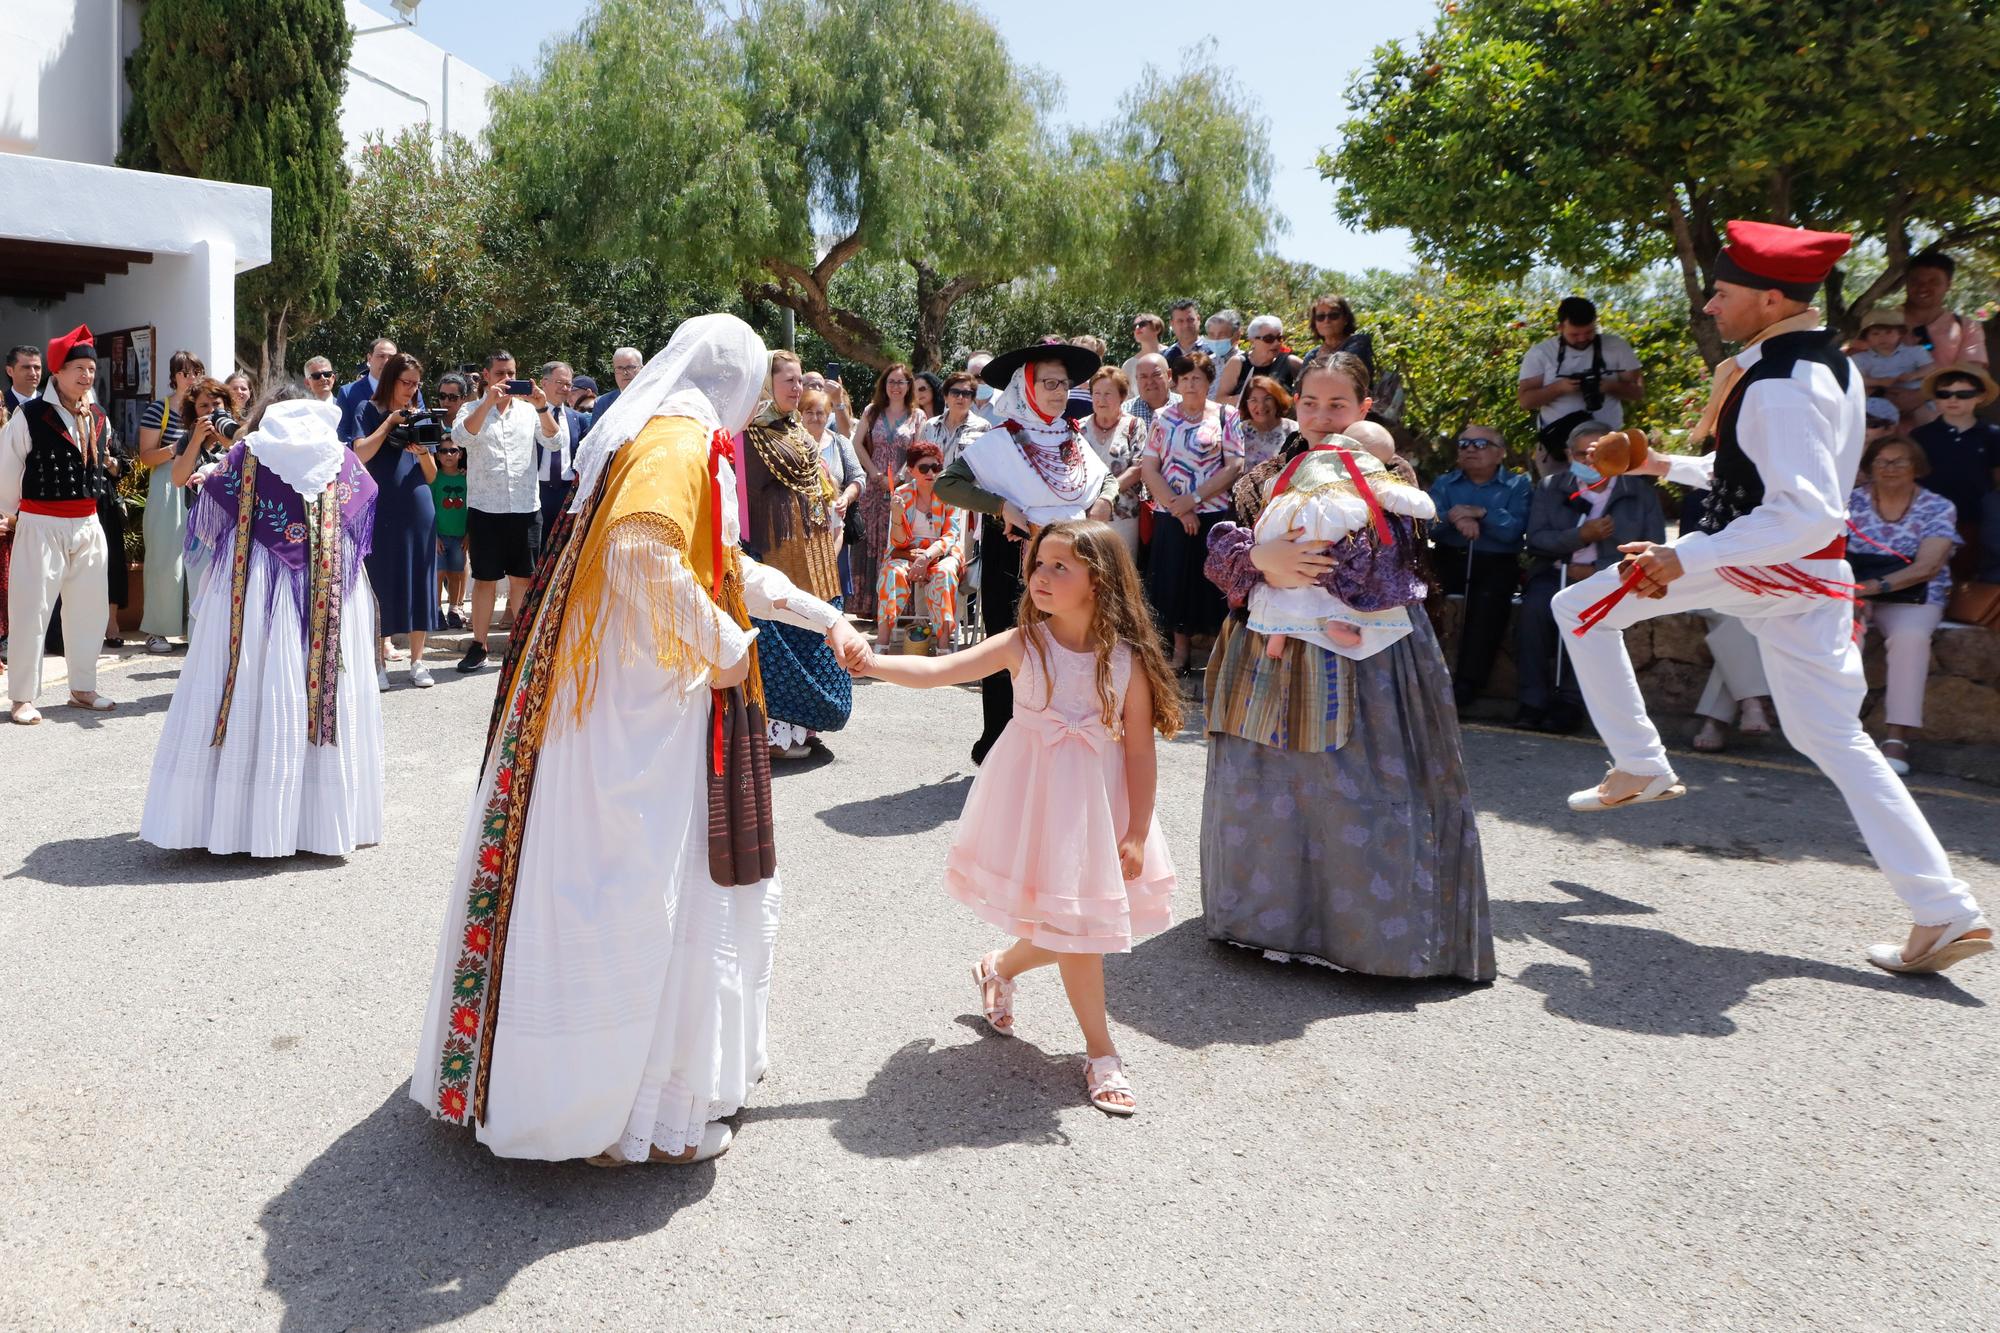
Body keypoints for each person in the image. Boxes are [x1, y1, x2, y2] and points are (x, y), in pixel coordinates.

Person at [410, 313, 871, 1165]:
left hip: (615, 695)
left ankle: (590, 1097)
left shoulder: (653, 434)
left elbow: (720, 569)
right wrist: (731, 651)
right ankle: (611, 1120)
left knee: (603, 883)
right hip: (634, 707)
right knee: (632, 892)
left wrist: (821, 614)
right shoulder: (679, 441)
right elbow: (639, 556)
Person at [1550, 219, 1988, 975]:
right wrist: (1663, 463)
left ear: (1771, 297)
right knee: (1836, 740)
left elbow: (1806, 509)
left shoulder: (1782, 385)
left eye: (1722, 294)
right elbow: (1758, 478)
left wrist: (1684, 556)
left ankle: (1642, 762)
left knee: (1576, 607)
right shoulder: (1823, 366)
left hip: (1768, 562)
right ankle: (1945, 911)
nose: (1712, 307)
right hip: (1811, 576)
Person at [857, 519, 1178, 1115]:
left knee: (1075, 922)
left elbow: (1139, 749)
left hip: (1097, 805)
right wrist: (871, 662)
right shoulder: (1022, 643)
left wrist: (1136, 830)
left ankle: (999, 965)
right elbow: (934, 673)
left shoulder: (1127, 659)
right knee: (1077, 927)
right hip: (1034, 799)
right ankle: (1101, 1051)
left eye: (1061, 566)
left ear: (1099, 582)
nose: (1042, 576)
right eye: (1039, 564)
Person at [1201, 351, 1494, 980]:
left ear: (1365, 408)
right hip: (1273, 641)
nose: (1322, 416)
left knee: (1364, 790)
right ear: (1294, 404)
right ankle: (1267, 922)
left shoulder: (1388, 472)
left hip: (1375, 652)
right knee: (1276, 788)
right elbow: (1230, 565)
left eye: (1338, 405)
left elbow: (1406, 562)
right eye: (1310, 403)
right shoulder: (1264, 475)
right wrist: (1260, 559)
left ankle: (1373, 938)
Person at [138, 392, 383, 855]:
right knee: (318, 679)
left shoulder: (247, 454)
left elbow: (208, 505)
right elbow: (364, 504)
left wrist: (212, 473)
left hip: (252, 581)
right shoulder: (340, 458)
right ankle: (320, 820)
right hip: (328, 584)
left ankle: (237, 818)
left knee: (249, 669)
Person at [935, 341, 1120, 765]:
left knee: (1069, 647)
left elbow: (1104, 479)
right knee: (1011, 651)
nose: (1059, 392)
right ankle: (999, 751)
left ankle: (1060, 744)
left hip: (1074, 557)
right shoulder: (999, 441)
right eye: (1049, 384)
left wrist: (1105, 501)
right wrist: (1000, 506)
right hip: (1016, 556)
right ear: (1027, 388)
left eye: (1064, 384)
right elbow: (948, 484)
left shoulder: (1070, 436)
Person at [1514, 419, 1665, 733]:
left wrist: (1597, 569)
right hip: (1555, 573)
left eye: (1597, 454)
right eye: (1582, 455)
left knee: (1591, 620)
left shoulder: (1639, 493)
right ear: (1569, 455)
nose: (1590, 461)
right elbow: (1536, 540)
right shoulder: (1551, 487)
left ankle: (1570, 703)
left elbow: (1653, 548)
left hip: (1612, 579)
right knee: (1533, 612)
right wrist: (1579, 535)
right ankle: (1533, 701)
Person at [0, 325, 119, 723]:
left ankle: (83, 688)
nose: (87, 376)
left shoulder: (98, 415)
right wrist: (12, 514)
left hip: (87, 522)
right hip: (40, 522)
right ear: (58, 373)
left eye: (90, 368)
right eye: (79, 368)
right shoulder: (30, 415)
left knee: (89, 609)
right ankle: (21, 698)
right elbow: (7, 470)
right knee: (31, 610)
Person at [742, 349, 853, 758]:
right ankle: (774, 734)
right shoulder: (749, 433)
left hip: (815, 549)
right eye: (787, 380)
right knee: (782, 642)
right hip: (777, 552)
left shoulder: (796, 430)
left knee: (816, 635)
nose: (797, 387)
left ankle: (802, 728)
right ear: (766, 385)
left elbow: (820, 479)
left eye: (799, 380)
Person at [1847, 435, 1960, 776]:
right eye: (1881, 461)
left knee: (1911, 638)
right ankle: (1840, 729)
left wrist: (1876, 586)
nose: (1889, 468)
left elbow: (1927, 566)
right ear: (1869, 468)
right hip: (1856, 588)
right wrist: (1851, 592)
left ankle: (1897, 736)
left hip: (1914, 592)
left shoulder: (1938, 507)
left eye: (1899, 461)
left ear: (1917, 468)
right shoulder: (1849, 501)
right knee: (1842, 632)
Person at [452, 350, 558, 673]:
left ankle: (523, 645)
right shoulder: (471, 409)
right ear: (486, 375)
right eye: (500, 373)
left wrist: (541, 405)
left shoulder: (529, 411)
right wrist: (486, 404)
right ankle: (478, 645)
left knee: (522, 579)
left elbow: (554, 441)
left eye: (511, 373)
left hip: (525, 508)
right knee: (484, 580)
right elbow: (461, 437)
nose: (507, 380)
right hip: (486, 509)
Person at [1138, 351, 1245, 672]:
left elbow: (1235, 465)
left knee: (1213, 583)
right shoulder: (1163, 418)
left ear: (1209, 381)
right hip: (1171, 516)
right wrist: (1178, 506)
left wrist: (1194, 499)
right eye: (1184, 378)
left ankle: (1217, 656)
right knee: (1174, 582)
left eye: (1197, 378)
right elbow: (1150, 468)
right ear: (1176, 381)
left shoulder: (1226, 415)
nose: (1190, 384)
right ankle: (1180, 653)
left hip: (1213, 514)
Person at [1427, 423, 1531, 711]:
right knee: (1419, 597)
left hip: (1496, 562)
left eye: (1481, 444)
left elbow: (1514, 531)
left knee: (1487, 606)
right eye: (1464, 444)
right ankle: (1421, 677)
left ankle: (1468, 685)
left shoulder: (1517, 485)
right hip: (1449, 556)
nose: (1471, 449)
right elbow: (1426, 525)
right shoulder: (1445, 484)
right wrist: (1455, 517)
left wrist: (1481, 513)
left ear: (1500, 454)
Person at [353, 353, 441, 689]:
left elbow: (431, 476)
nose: (411, 389)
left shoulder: (422, 416)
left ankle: (418, 661)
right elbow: (360, 454)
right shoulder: (367, 410)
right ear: (390, 380)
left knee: (421, 579)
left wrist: (422, 452)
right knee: (380, 580)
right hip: (379, 506)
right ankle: (378, 664)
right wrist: (389, 423)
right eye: (406, 382)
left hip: (417, 504)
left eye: (416, 384)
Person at [135, 351, 208, 653]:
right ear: (174, 376)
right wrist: (178, 447)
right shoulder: (159, 409)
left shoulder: (206, 408)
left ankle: (198, 628)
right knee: (165, 559)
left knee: (204, 558)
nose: (191, 378)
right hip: (168, 485)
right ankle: (157, 630)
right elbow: (146, 456)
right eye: (185, 372)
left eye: (196, 371)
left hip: (202, 481)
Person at [1518, 295, 1645, 452]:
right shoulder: (1541, 353)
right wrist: (1559, 388)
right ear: (1560, 328)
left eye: (1589, 332)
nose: (1583, 338)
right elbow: (1525, 401)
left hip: (1608, 444)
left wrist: (1608, 386)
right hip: (1558, 444)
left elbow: (1638, 392)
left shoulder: (1617, 346)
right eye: (1575, 334)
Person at [875, 439, 966, 651]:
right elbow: (898, 542)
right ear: (911, 470)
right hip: (908, 552)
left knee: (944, 574)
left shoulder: (949, 494)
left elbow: (951, 535)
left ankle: (943, 646)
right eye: (923, 468)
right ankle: (882, 642)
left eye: (936, 467)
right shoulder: (903, 495)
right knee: (891, 572)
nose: (930, 473)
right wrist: (897, 516)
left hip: (941, 554)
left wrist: (926, 558)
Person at [849, 363, 922, 623]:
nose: (896, 387)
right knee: (869, 542)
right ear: (884, 384)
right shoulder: (872, 411)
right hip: (872, 486)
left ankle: (897, 608)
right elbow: (857, 443)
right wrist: (873, 473)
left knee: (895, 542)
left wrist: (901, 476)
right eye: (892, 381)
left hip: (902, 489)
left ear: (909, 386)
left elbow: (918, 451)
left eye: (901, 382)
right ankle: (867, 605)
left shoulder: (917, 416)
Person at [1908, 364, 2000, 558]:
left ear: (1980, 396)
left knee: (1972, 572)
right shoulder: (1920, 435)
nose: (1953, 400)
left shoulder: (1992, 435)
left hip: (1977, 518)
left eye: (1963, 394)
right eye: (1944, 394)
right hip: (1927, 519)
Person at [1898, 250, 1987, 425]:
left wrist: (1921, 396)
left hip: (1943, 427)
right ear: (1906, 283)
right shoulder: (1880, 322)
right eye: (1916, 281)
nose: (1923, 287)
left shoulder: (1966, 326)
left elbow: (1970, 374)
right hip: (1883, 431)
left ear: (1948, 284)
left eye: (1933, 281)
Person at [802, 385, 864, 599]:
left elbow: (858, 477)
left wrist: (846, 498)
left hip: (834, 523)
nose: (814, 417)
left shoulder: (841, 443)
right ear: (800, 414)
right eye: (809, 412)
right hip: (801, 526)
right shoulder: (792, 443)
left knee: (831, 587)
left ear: (828, 415)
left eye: (820, 412)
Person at [1078, 366, 1147, 555]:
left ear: (1122, 396)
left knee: (1121, 572)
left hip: (1123, 514)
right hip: (1085, 514)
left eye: (1108, 393)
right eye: (1096, 393)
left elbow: (1138, 467)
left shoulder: (1134, 425)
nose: (1101, 399)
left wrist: (1105, 497)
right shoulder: (1079, 428)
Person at [1848, 307, 1931, 421]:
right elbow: (1857, 379)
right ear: (1866, 337)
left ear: (1900, 334)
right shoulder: (1860, 358)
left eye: (1888, 332)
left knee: (1927, 415)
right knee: (1872, 416)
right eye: (1875, 333)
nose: (1882, 338)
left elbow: (1931, 368)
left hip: (1915, 396)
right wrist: (1878, 382)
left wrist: (1914, 375)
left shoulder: (1916, 351)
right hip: (1880, 398)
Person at [535, 360, 585, 534]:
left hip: (568, 493)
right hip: (537, 492)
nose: (564, 388)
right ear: (544, 382)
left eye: (568, 384)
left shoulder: (577, 419)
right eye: (559, 383)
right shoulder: (529, 415)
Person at [1217, 314, 1303, 408]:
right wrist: (1250, 399)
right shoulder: (1238, 363)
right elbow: (1220, 399)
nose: (1276, 343)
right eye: (1269, 339)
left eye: (1279, 338)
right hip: (1246, 421)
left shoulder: (1290, 362)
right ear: (1252, 340)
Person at [918, 369, 991, 467]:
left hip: (965, 482)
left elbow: (986, 464)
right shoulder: (930, 425)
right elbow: (920, 460)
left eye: (966, 393)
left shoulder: (983, 427)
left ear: (972, 399)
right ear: (946, 397)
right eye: (955, 392)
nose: (960, 397)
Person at [337, 339, 399, 441]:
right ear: (369, 359)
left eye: (392, 357)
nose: (387, 361)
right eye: (381, 356)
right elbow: (343, 434)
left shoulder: (411, 390)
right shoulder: (347, 393)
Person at [1300, 294, 1375, 378]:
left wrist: (1322, 359)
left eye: (1333, 315)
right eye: (1320, 317)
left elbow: (1346, 377)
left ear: (1345, 319)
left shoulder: (1358, 343)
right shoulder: (1312, 354)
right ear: (1315, 323)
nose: (1326, 320)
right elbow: (1299, 387)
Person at [1237, 373, 1296, 470]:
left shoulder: (1293, 430)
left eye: (1267, 398)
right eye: (1253, 400)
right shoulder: (1237, 433)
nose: (1261, 406)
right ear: (1246, 403)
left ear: (1277, 400)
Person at [586, 345, 643, 432]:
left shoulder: (654, 396)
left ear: (642, 368)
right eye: (619, 368)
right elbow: (594, 439)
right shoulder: (602, 403)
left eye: (630, 367)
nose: (625, 373)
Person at [1122, 352, 1173, 430]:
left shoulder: (1186, 408)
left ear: (1169, 375)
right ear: (1137, 379)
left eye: (1156, 375)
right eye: (1143, 377)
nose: (1150, 381)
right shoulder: (1124, 413)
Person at [1120, 313, 1165, 387]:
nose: (1137, 328)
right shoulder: (1128, 365)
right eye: (1134, 326)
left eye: (1142, 324)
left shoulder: (1173, 353)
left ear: (1157, 328)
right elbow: (1128, 396)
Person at [1163, 298, 1202, 375]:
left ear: (1198, 319)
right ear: (1172, 324)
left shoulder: (1214, 351)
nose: (1186, 325)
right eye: (1180, 321)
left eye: (1190, 320)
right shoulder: (1165, 357)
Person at [4, 345, 41, 413]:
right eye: (26, 367)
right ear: (9, 371)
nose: (33, 373)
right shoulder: (2, 404)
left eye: (37, 367)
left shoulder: (52, 404)